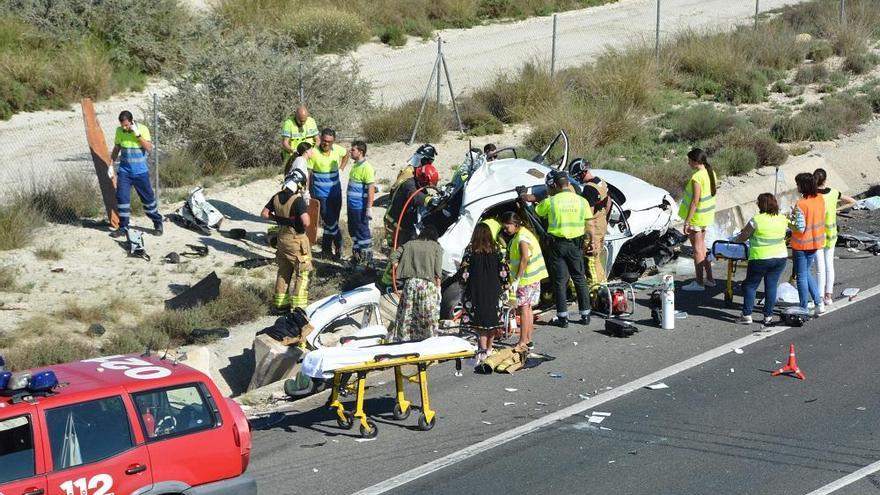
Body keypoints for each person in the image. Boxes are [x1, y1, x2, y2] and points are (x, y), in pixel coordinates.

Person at [522, 170, 591, 327]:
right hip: (576, 245)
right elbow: (590, 223)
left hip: (557, 245)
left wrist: (524, 195)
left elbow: (537, 212)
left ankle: (562, 317)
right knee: (580, 278)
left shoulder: (551, 201)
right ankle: (585, 315)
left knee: (560, 281)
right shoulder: (581, 201)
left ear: (553, 185)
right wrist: (591, 241)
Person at [732, 193, 789, 328]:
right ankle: (768, 316)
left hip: (760, 257)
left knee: (751, 285)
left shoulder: (756, 220)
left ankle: (746, 315)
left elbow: (743, 236)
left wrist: (734, 240)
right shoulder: (782, 218)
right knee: (771, 286)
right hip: (780, 257)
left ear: (760, 204)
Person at [261, 170, 312, 311]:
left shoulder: (276, 197)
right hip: (296, 240)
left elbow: (264, 214)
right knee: (303, 272)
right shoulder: (297, 200)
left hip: (281, 238)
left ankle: (281, 305)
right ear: (298, 185)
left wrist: (278, 219)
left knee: (284, 271)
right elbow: (306, 222)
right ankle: (299, 307)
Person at [460, 223, 511, 365]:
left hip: (476, 289)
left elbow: (464, 272)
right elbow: (504, 271)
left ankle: (482, 350)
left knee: (479, 322)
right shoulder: (496, 248)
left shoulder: (471, 249)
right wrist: (506, 284)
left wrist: (464, 286)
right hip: (494, 289)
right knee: (493, 320)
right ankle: (489, 348)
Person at [109, 110, 163, 237]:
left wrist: (137, 134)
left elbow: (149, 148)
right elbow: (117, 148)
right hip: (124, 172)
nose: (124, 127)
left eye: (127, 125)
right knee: (122, 199)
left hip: (140, 173)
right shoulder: (119, 131)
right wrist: (110, 164)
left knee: (148, 200)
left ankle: (157, 222)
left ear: (131, 121)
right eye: (122, 125)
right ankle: (123, 227)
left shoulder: (142, 129)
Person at [502, 211, 548, 351]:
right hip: (532, 277)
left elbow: (524, 258)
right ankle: (528, 340)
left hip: (526, 278)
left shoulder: (522, 237)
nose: (505, 230)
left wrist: (517, 279)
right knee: (527, 309)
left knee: (522, 310)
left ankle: (522, 341)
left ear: (514, 224)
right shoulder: (524, 232)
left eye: (507, 227)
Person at [390, 226, 443, 341]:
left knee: (408, 315)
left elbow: (393, 256)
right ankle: (427, 340)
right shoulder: (436, 247)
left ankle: (406, 339)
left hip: (410, 284)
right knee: (427, 315)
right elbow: (438, 271)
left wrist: (399, 267)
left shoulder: (409, 244)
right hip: (427, 286)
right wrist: (438, 288)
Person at [814, 168, 856, 305]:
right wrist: (837, 209)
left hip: (817, 235)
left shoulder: (812, 195)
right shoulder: (833, 193)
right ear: (825, 180)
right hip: (831, 233)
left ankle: (819, 297)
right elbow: (851, 201)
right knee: (829, 265)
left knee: (820, 268)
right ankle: (828, 296)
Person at [679, 148, 718, 291]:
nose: (688, 163)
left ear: (696, 162)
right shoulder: (710, 173)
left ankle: (699, 282)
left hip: (697, 218)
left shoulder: (697, 178)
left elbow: (695, 202)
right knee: (702, 248)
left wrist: (687, 221)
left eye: (689, 160)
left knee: (697, 250)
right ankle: (710, 279)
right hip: (706, 216)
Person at [308, 128, 349, 259]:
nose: (326, 144)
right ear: (321, 138)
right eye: (324, 141)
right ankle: (339, 245)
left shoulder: (337, 149)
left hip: (336, 194)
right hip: (321, 196)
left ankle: (326, 250)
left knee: (331, 223)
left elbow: (346, 154)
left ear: (333, 141)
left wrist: (341, 168)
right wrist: (308, 192)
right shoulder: (313, 152)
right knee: (330, 222)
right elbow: (308, 173)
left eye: (329, 142)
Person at [570, 158, 611, 284]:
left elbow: (589, 213)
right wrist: (605, 220)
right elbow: (608, 202)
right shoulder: (600, 182)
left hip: (593, 226)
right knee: (597, 255)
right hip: (602, 221)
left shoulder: (589, 189)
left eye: (577, 176)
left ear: (582, 173)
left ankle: (598, 286)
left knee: (592, 258)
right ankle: (601, 282)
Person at [790, 172, 826, 315]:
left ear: (803, 186)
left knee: (801, 276)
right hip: (815, 242)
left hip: (801, 244)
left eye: (798, 184)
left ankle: (803, 307)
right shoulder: (820, 199)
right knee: (806, 273)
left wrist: (789, 222)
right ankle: (818, 302)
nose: (797, 186)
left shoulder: (801, 204)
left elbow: (799, 228)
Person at [347, 140, 375, 266]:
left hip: (360, 207)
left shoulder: (367, 168)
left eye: (353, 150)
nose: (350, 151)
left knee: (363, 234)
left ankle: (367, 262)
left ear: (361, 152)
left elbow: (371, 188)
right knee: (353, 232)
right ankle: (357, 258)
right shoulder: (356, 165)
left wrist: (369, 207)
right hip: (352, 207)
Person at [281, 105, 319, 174]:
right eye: (300, 121)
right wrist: (292, 150)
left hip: (308, 158)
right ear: (296, 116)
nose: (302, 123)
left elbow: (317, 139)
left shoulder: (311, 121)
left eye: (304, 121)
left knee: (309, 180)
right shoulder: (288, 123)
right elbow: (285, 143)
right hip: (294, 158)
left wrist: (313, 151)